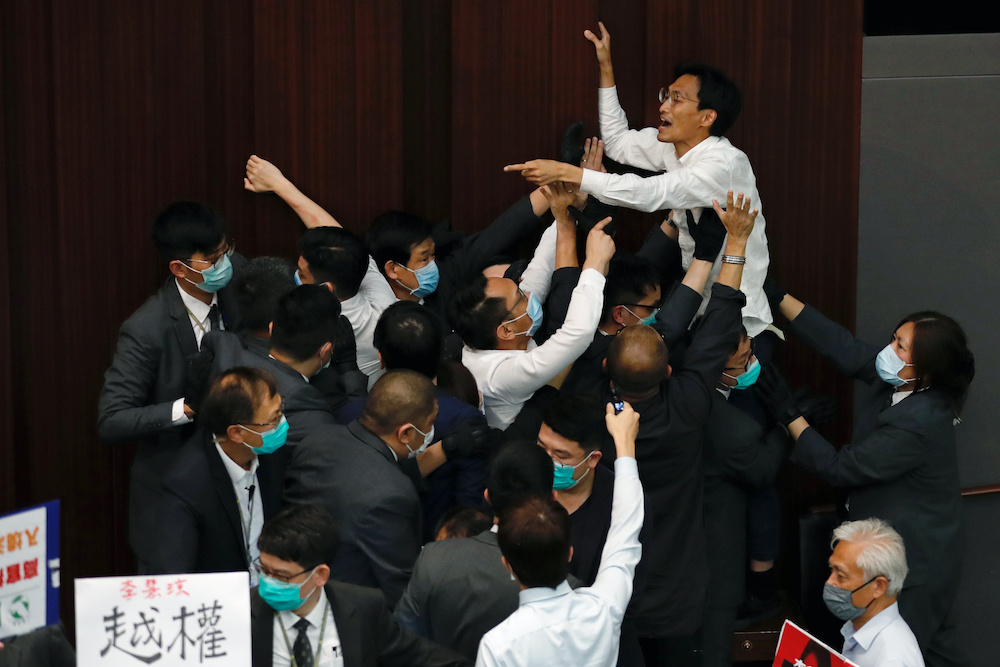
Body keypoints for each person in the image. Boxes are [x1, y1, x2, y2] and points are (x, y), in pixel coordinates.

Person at [504, 22, 771, 338]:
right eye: (666, 96)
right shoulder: (674, 148)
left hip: (738, 313)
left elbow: (649, 193)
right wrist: (606, 67)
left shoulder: (724, 163)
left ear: (707, 117)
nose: (663, 106)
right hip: (697, 298)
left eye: (676, 99)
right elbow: (617, 141)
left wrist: (566, 172)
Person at [760, 287, 974, 667]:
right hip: (901, 548)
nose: (890, 350)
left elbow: (842, 467)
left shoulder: (919, 420)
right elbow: (846, 349)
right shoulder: (903, 379)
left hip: (914, 565)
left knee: (905, 651)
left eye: (902, 347)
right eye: (895, 338)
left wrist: (789, 414)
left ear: (924, 369)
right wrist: (778, 296)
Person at [600, 191, 756, 665]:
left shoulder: (594, 406)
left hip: (612, 585)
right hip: (677, 587)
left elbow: (663, 334)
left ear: (607, 371)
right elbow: (720, 322)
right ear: (668, 372)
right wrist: (734, 244)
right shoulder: (688, 403)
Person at [98, 201, 244, 568]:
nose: (223, 264)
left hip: (237, 485)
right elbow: (112, 420)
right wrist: (187, 408)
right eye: (212, 260)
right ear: (179, 269)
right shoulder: (147, 328)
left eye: (226, 251)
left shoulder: (236, 281)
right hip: (173, 493)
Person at [476, 400, 642, 666]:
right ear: (569, 553)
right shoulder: (603, 610)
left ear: (506, 562)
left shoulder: (499, 644)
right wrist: (625, 444)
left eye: (561, 455)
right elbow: (626, 529)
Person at [452, 188, 616, 428]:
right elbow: (577, 334)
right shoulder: (500, 375)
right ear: (506, 331)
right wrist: (595, 264)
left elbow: (537, 273)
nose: (527, 291)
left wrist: (566, 214)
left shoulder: (494, 327)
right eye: (520, 294)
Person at [337, 300, 492, 540]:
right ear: (440, 352)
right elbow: (468, 507)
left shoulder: (349, 414)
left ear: (381, 358)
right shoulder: (465, 421)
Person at [250, 503, 470, 666]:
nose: (268, 582)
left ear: (320, 575)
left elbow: (422, 658)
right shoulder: (242, 610)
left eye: (281, 576)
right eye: (264, 570)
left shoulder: (363, 607)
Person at [244, 155, 397, 387]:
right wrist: (279, 185)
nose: (296, 275)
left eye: (303, 275)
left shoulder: (306, 328)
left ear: (326, 289)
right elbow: (339, 242)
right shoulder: (384, 307)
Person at [394, 440, 554, 659]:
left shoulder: (434, 557)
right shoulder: (560, 583)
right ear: (552, 499)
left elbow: (403, 641)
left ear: (487, 495)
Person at [699, 328, 793, 666]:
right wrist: (788, 425)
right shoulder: (729, 427)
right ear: (719, 369)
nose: (754, 363)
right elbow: (761, 470)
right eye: (744, 359)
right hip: (708, 558)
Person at [148, 367, 285, 581]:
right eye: (273, 420)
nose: (281, 425)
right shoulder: (187, 486)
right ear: (237, 433)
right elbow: (172, 576)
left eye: (280, 411)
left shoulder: (271, 453)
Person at [825, 519, 924, 667]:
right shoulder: (859, 629)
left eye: (841, 576)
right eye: (831, 570)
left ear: (878, 586)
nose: (829, 582)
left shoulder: (891, 661)